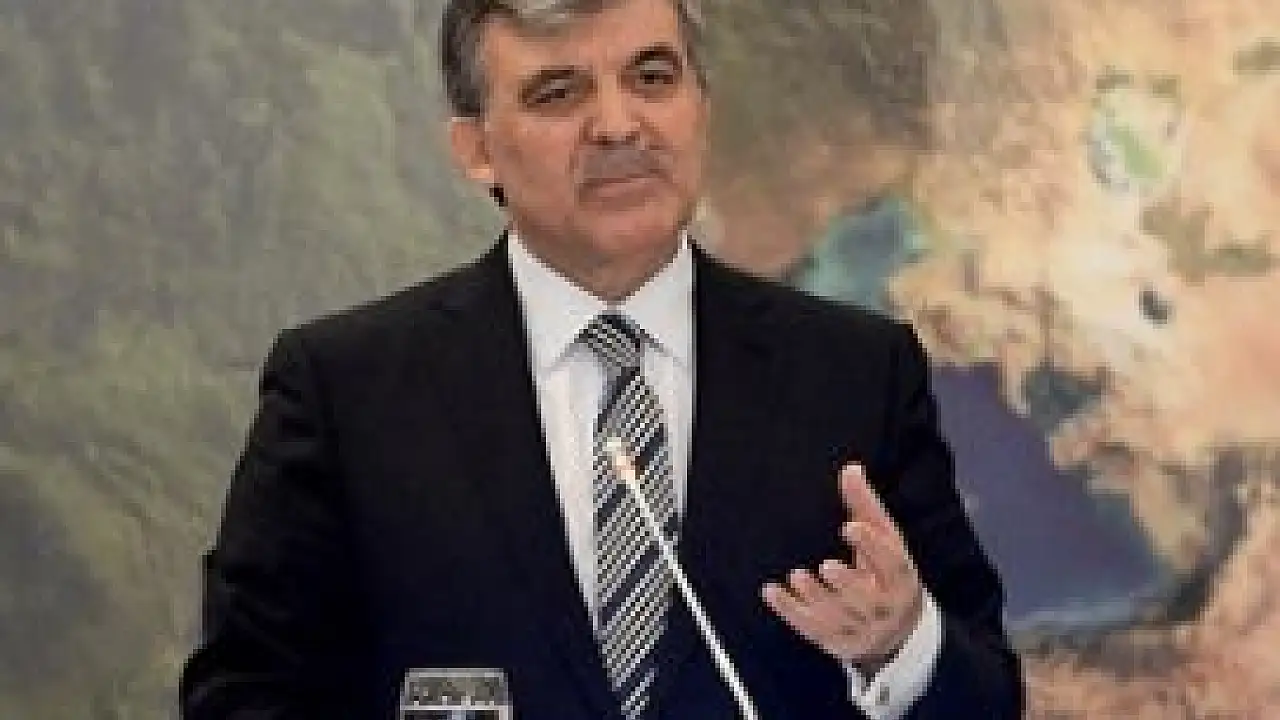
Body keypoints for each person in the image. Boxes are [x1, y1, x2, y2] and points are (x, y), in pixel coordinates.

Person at [178, 0, 1023, 718]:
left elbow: (987, 697)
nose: (619, 125)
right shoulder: (345, 391)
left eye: (652, 78)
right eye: (559, 92)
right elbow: (244, 697)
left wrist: (901, 645)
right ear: (475, 150)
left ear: (701, 107)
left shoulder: (855, 375)